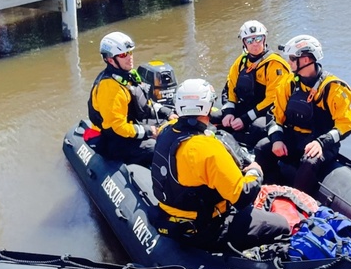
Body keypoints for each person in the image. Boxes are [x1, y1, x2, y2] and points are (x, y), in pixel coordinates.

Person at [151, 78, 290, 251]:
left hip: (169, 215)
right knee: (281, 224)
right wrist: (255, 173)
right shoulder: (208, 148)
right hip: (205, 229)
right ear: (208, 105)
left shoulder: (166, 129)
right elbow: (242, 196)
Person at [256, 35, 351, 194]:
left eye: (292, 58)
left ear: (305, 60)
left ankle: (298, 202)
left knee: (309, 163)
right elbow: (276, 115)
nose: (288, 62)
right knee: (262, 148)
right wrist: (277, 139)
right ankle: (269, 189)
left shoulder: (333, 88)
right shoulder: (289, 83)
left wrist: (322, 142)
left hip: (319, 143)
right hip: (294, 137)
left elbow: (347, 123)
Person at [86, 31, 172, 165]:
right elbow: (117, 128)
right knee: (159, 150)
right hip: (113, 140)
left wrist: (167, 113)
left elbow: (144, 104)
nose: (129, 57)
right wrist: (149, 131)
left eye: (130, 52)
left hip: (131, 126)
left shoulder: (128, 75)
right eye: (123, 55)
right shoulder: (109, 88)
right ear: (110, 59)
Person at [219, 20, 291, 147]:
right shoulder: (241, 62)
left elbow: (273, 99)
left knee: (257, 127)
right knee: (216, 117)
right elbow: (230, 86)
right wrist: (229, 112)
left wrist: (245, 118)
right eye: (250, 41)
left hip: (268, 112)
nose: (255, 44)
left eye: (258, 39)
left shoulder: (274, 64)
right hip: (248, 106)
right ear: (244, 43)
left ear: (264, 39)